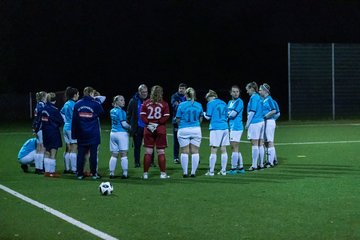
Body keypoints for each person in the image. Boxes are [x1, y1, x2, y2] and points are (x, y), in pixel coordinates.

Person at [72, 86, 104, 180]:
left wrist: (74, 134)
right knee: (93, 154)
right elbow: (101, 113)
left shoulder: (77, 104)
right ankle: (94, 173)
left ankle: (79, 174)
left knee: (81, 154)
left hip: (81, 133)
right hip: (93, 133)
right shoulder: (95, 104)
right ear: (91, 93)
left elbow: (75, 120)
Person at [140, 85, 170, 179]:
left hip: (149, 129)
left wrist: (150, 123)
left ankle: (145, 174)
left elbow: (142, 115)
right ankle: (163, 174)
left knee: (148, 152)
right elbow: (166, 116)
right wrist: (157, 123)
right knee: (160, 151)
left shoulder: (146, 103)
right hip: (160, 129)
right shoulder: (164, 104)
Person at [175, 87, 203, 177]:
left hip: (184, 129)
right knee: (195, 151)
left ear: (185, 95)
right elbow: (201, 118)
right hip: (196, 129)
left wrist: (182, 126)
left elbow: (178, 119)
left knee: (184, 151)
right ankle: (193, 172)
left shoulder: (182, 105)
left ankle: (185, 172)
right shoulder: (199, 105)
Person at [37, 92, 64, 177]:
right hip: (53, 132)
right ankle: (52, 172)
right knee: (53, 152)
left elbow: (40, 120)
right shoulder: (54, 109)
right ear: (55, 100)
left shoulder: (43, 108)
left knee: (47, 151)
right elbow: (61, 121)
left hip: (45, 132)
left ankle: (47, 172)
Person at [203, 90, 230, 176]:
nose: (208, 101)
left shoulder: (211, 103)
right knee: (223, 149)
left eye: (207, 99)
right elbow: (227, 116)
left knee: (214, 149)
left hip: (216, 128)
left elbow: (208, 116)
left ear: (210, 97)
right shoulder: (224, 103)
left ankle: (211, 171)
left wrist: (203, 113)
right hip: (225, 127)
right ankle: (223, 170)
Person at [108, 95, 131, 179]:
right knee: (124, 154)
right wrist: (131, 127)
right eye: (121, 100)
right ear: (116, 102)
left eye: (123, 100)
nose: (123, 102)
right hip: (121, 134)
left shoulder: (111, 111)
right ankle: (125, 173)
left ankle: (111, 173)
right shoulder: (122, 112)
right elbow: (124, 124)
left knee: (114, 154)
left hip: (113, 133)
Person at [127, 84, 149, 168]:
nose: (145, 94)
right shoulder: (133, 101)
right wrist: (130, 126)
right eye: (143, 92)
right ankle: (137, 162)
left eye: (146, 92)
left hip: (148, 127)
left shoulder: (150, 101)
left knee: (149, 145)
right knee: (137, 146)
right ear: (139, 92)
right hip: (137, 127)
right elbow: (129, 114)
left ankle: (150, 162)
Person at [245, 82, 265, 171]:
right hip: (261, 122)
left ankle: (254, 165)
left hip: (255, 122)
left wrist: (247, 124)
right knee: (260, 144)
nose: (247, 91)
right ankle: (261, 164)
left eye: (247, 89)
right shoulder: (259, 97)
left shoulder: (253, 97)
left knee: (254, 144)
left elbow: (252, 111)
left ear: (252, 89)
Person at [227, 85, 245, 174]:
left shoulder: (239, 102)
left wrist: (226, 115)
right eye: (234, 91)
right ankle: (241, 167)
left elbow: (232, 114)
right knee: (236, 147)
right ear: (230, 93)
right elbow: (228, 113)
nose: (236, 93)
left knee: (233, 147)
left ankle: (233, 168)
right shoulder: (230, 102)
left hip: (237, 127)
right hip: (232, 126)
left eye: (237, 91)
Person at [60, 87, 79, 174]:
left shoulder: (66, 103)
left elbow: (61, 113)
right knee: (74, 147)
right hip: (72, 128)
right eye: (78, 94)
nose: (78, 95)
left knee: (68, 148)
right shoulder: (74, 104)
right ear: (74, 95)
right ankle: (74, 169)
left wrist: (66, 121)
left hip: (65, 128)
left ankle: (67, 168)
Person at [259, 83, 278, 168]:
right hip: (266, 122)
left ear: (265, 91)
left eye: (260, 90)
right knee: (266, 142)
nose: (259, 91)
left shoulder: (269, 99)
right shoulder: (264, 100)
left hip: (269, 121)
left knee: (270, 141)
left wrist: (265, 116)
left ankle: (271, 162)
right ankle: (269, 160)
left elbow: (274, 111)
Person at [171, 83, 187, 164]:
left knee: (189, 140)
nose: (181, 89)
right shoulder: (174, 96)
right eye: (180, 88)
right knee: (176, 140)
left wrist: (180, 105)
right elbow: (174, 106)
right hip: (176, 121)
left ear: (185, 89)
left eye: (183, 88)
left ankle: (193, 156)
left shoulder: (188, 96)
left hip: (186, 122)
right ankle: (176, 157)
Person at [32, 91, 47, 174]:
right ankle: (40, 168)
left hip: (37, 129)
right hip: (41, 129)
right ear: (44, 97)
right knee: (42, 148)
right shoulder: (42, 105)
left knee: (38, 149)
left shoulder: (38, 105)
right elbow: (41, 118)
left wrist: (34, 128)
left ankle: (38, 168)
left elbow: (35, 119)